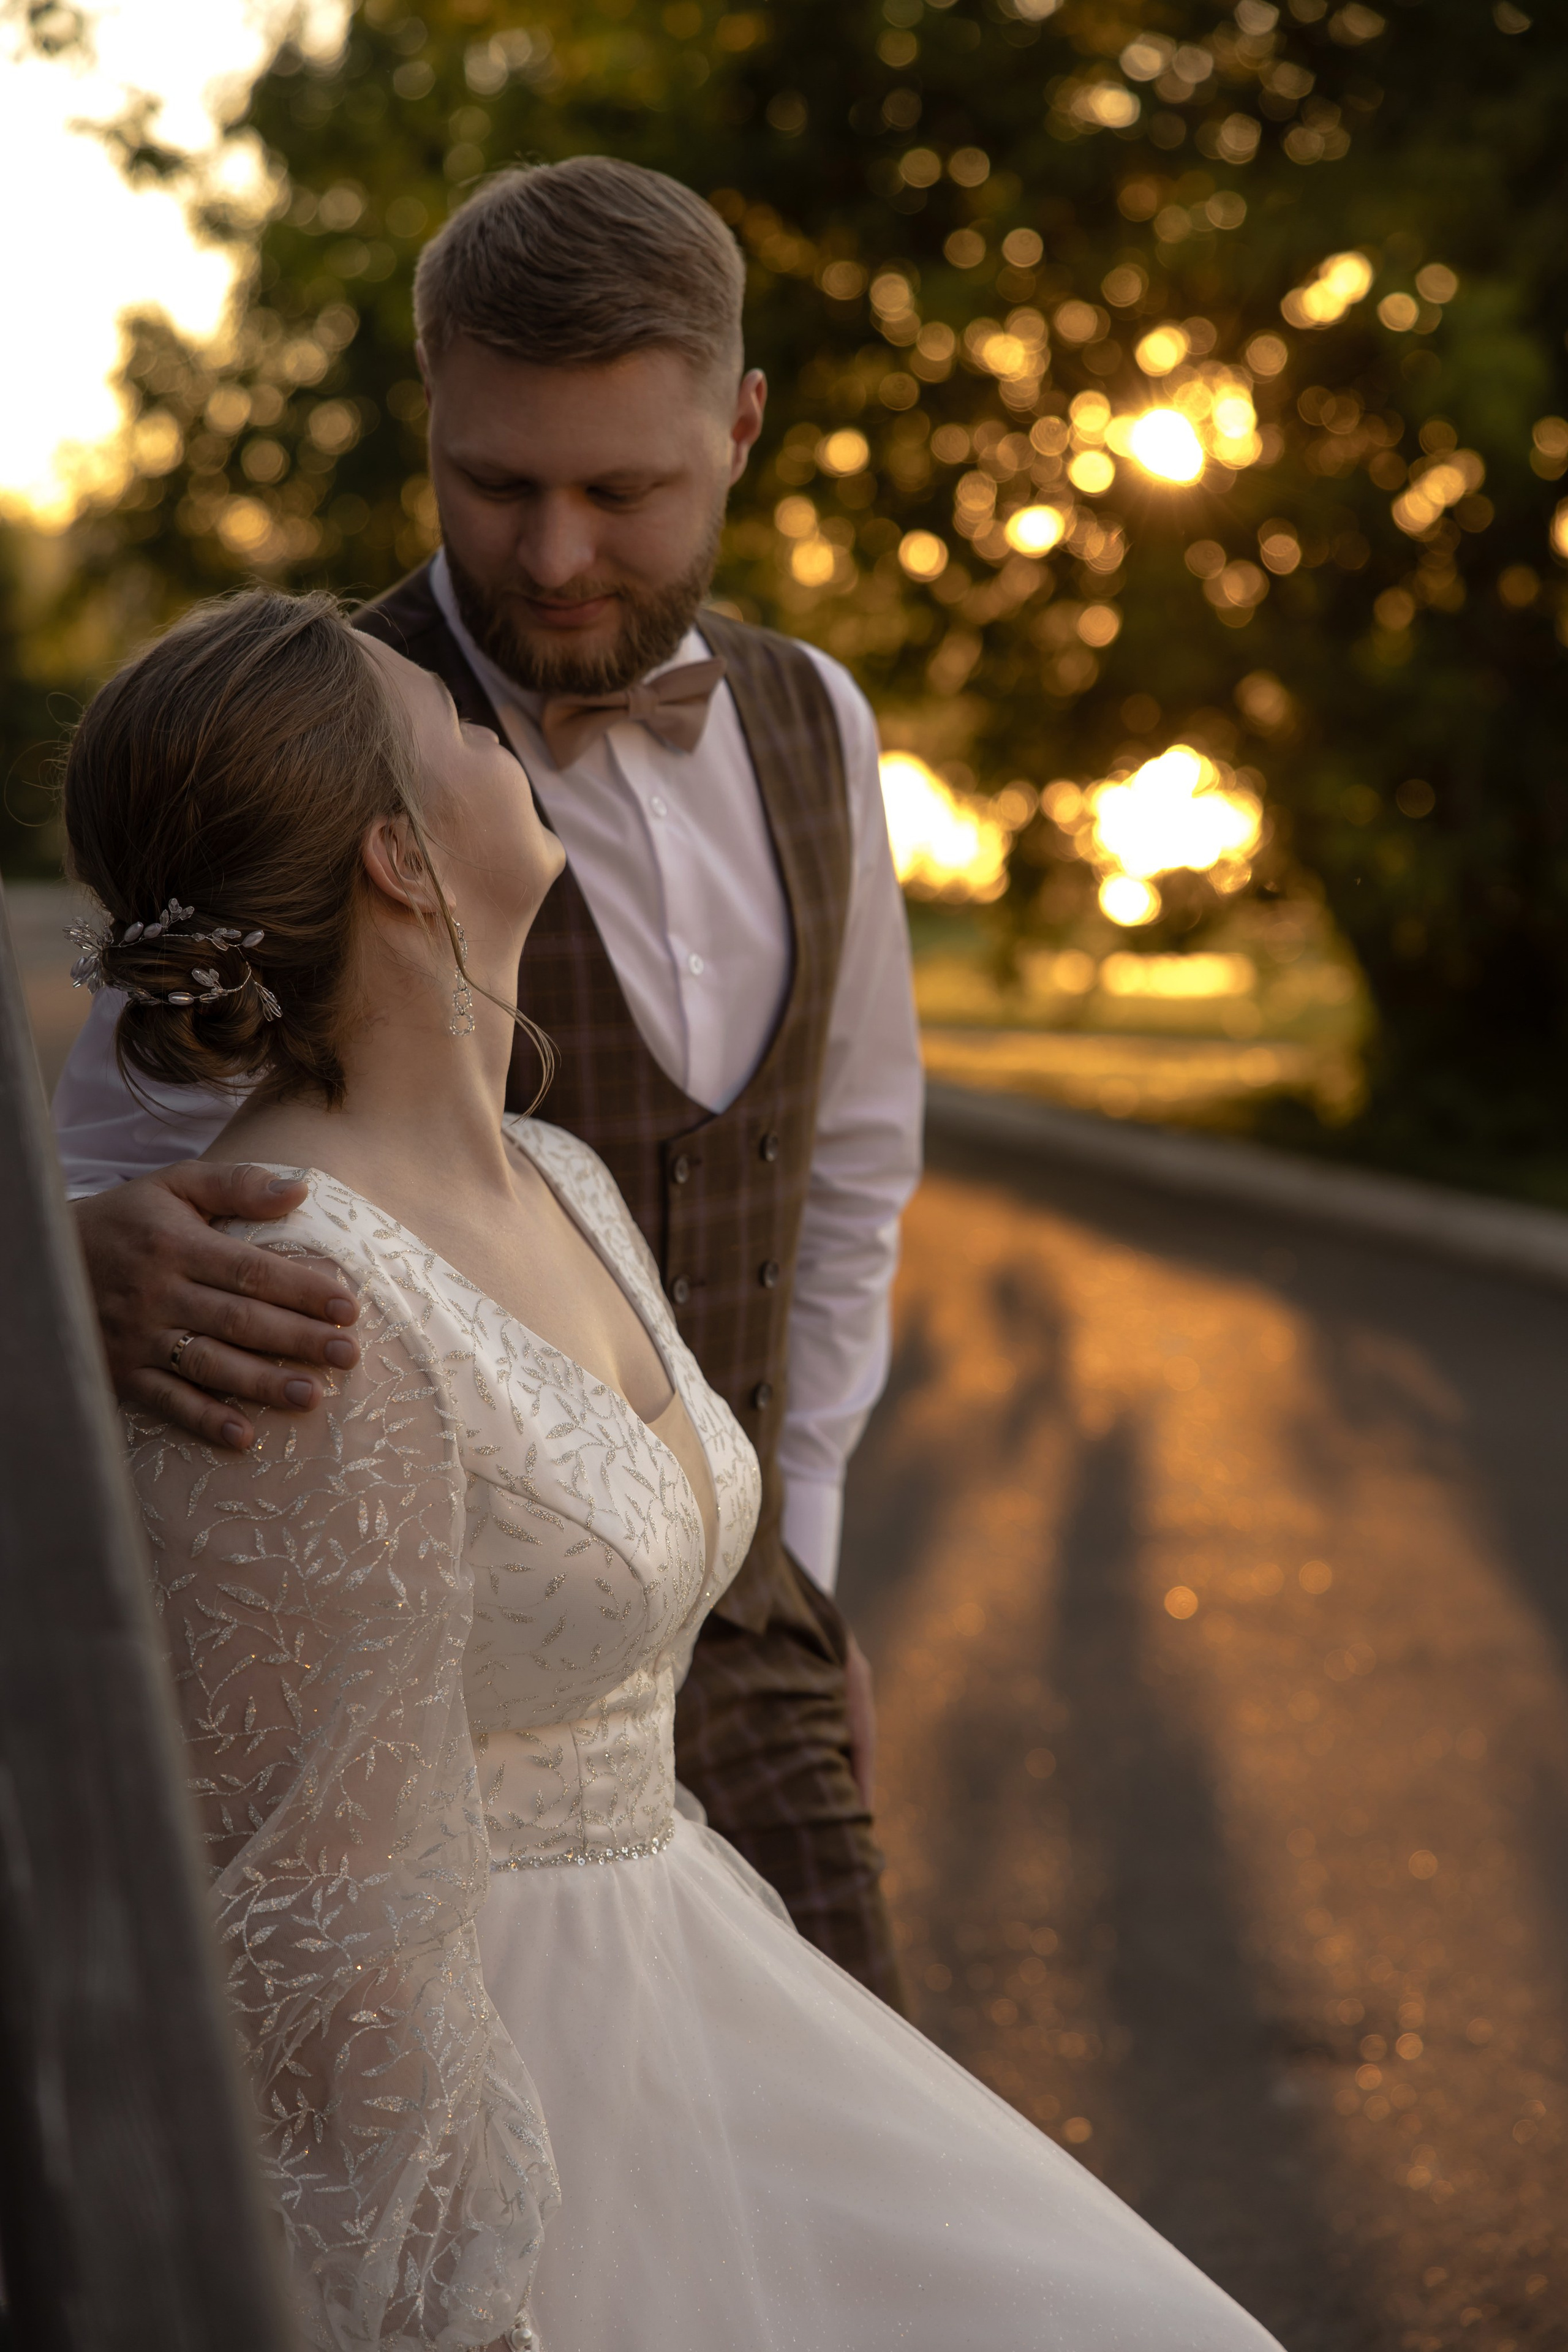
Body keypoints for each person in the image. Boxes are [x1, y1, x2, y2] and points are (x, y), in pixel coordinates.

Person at [65, 585, 1283, 2352]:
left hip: (696, 1961)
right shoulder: (288, 1291)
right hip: (519, 2101)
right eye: (457, 725)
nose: (502, 733)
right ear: (404, 862)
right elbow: (303, 1939)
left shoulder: (562, 1177)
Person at [54, 157, 921, 2004]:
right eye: (496, 481)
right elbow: (109, 1170)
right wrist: (69, 1261)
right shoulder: (297, 744)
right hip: (413, 1702)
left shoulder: (817, 719)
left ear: (744, 427)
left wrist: (801, 1571)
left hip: (747, 1639)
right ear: (431, 415)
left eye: (623, 491)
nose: (550, 555)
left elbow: (846, 1180)